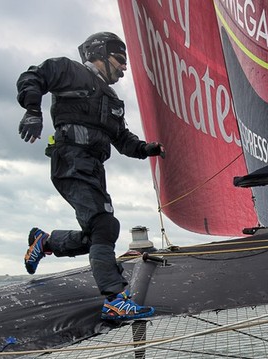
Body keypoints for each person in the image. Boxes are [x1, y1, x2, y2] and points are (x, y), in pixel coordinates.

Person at [16, 32, 164, 321]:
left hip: (94, 168)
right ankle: (114, 300)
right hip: (70, 160)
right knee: (104, 225)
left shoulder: (111, 100)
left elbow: (122, 139)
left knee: (96, 234)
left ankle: (46, 242)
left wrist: (148, 149)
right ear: (98, 53)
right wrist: (32, 110)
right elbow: (32, 77)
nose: (124, 68)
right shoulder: (70, 70)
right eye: (119, 60)